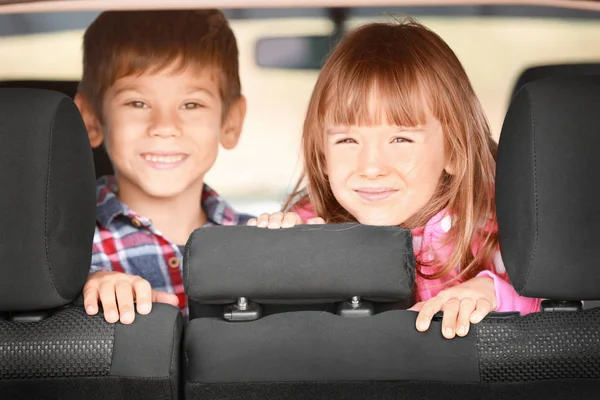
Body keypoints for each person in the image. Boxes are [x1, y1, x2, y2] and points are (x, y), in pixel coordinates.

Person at [249, 19, 542, 339]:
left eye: (401, 140)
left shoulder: (504, 230)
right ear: (323, 158)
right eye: (347, 141)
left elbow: (561, 297)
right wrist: (276, 254)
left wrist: (491, 292)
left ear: (455, 153)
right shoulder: (311, 229)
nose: (371, 166)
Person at [74, 10, 253, 324]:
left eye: (191, 104)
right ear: (90, 119)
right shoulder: (61, 252)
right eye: (137, 103)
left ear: (230, 121)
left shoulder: (263, 243)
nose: (165, 126)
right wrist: (81, 292)